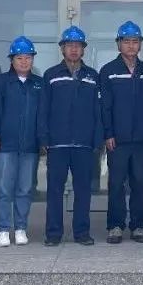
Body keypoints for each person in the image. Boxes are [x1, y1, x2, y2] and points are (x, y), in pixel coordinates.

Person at [39, 25, 102, 246]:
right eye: (69, 45)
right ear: (62, 49)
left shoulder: (92, 76)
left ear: (83, 49)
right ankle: (53, 233)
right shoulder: (51, 75)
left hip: (84, 143)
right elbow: (43, 109)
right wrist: (43, 138)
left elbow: (98, 110)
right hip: (57, 143)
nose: (74, 49)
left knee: (83, 190)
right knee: (55, 191)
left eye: (77, 46)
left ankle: (82, 232)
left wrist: (97, 139)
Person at [0, 36, 44, 247]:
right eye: (19, 58)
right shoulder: (2, 82)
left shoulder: (38, 84)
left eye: (28, 57)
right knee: (3, 188)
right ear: (12, 60)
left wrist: (42, 140)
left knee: (25, 188)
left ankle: (20, 228)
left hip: (30, 145)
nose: (24, 61)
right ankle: (3, 229)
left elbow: (43, 115)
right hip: (6, 144)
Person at [101, 21, 143, 244]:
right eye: (126, 41)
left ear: (140, 44)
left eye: (135, 41)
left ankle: (138, 226)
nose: (131, 46)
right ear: (118, 44)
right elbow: (105, 107)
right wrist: (108, 134)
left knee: (140, 183)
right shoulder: (109, 71)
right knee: (116, 184)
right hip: (118, 140)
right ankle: (115, 225)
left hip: (142, 139)